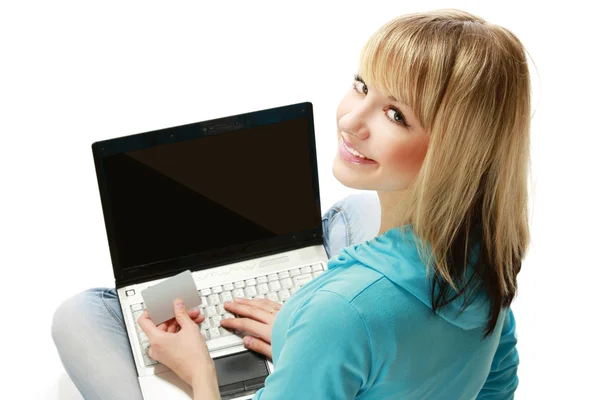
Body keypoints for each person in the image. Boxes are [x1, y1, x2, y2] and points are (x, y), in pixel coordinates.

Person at [52, 8, 531, 400]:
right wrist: (301, 335)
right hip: (356, 326)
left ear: (456, 152)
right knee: (352, 214)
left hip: (339, 323)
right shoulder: (487, 259)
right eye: (362, 85)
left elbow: (346, 322)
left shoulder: (338, 313)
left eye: (395, 114)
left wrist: (198, 369)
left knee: (81, 315)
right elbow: (497, 389)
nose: (350, 120)